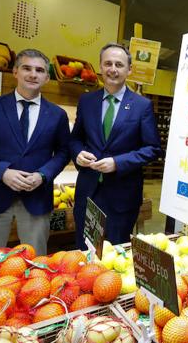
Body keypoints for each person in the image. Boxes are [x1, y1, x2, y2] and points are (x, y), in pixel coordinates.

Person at [0, 49, 70, 257]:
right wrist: (3, 172)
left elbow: (64, 152)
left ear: (46, 77)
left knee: (36, 264)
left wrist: (43, 175)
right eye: (26, 68)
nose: (33, 74)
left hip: (36, 198)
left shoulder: (57, 115)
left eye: (39, 70)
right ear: (15, 72)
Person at [70, 43, 161, 250]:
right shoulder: (87, 101)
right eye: (108, 63)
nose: (113, 69)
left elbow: (152, 148)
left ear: (129, 70)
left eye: (119, 64)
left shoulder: (141, 106)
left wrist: (117, 163)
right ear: (100, 68)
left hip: (122, 195)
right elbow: (75, 139)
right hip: (88, 191)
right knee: (85, 252)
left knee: (116, 253)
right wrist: (78, 154)